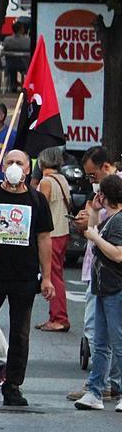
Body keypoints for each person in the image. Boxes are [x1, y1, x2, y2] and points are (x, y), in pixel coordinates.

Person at [0, 150, 54, 407]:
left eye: (18, 163)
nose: (13, 166)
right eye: (9, 162)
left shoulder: (37, 200)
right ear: (2, 169)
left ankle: (12, 386)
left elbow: (44, 238)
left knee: (20, 335)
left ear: (27, 169)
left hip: (23, 276)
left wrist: (47, 277)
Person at [75, 173, 122, 412]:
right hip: (103, 287)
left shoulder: (120, 220)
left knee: (118, 341)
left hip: (115, 288)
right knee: (101, 343)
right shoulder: (110, 219)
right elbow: (93, 232)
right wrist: (94, 212)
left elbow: (118, 254)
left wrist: (94, 236)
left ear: (105, 195)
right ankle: (95, 391)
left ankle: (115, 389)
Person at [35, 146, 72, 332]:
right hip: (63, 231)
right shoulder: (62, 179)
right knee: (58, 274)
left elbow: (40, 207)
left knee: (53, 276)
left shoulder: (47, 181)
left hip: (52, 234)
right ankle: (55, 315)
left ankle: (59, 317)